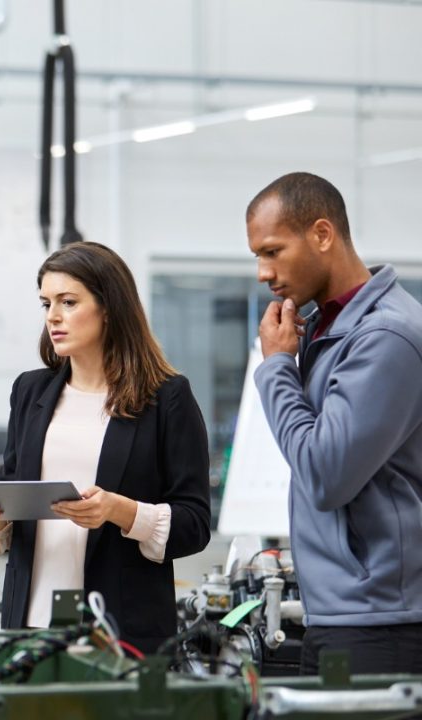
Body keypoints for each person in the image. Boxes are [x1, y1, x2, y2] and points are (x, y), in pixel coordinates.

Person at [0, 241, 211, 654]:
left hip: (120, 633)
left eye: (68, 302)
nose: (53, 317)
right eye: (46, 303)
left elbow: (195, 524)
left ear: (109, 307)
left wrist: (120, 511)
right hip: (28, 627)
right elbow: (10, 518)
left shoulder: (167, 399)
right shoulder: (30, 392)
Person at [247, 171, 422, 674]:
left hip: (380, 624)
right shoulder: (329, 330)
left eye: (273, 251)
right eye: (257, 255)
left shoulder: (386, 335)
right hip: (337, 613)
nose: (263, 271)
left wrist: (277, 366)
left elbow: (325, 474)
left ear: (322, 235)